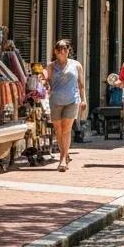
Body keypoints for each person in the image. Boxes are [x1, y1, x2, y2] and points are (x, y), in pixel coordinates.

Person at [43, 39, 87, 171]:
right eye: (59, 49)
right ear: (55, 51)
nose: (62, 51)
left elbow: (81, 84)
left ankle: (62, 159)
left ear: (69, 51)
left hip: (72, 100)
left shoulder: (76, 65)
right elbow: (46, 81)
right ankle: (65, 154)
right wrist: (44, 82)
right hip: (55, 101)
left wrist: (83, 99)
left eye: (65, 49)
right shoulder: (50, 66)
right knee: (59, 130)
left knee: (66, 130)